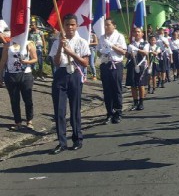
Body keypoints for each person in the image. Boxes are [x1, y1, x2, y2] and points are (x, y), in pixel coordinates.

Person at [48, 14, 90, 154]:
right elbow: (56, 62)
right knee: (59, 111)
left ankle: (77, 138)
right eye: (67, 24)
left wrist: (71, 53)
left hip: (75, 75)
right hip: (61, 74)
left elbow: (85, 63)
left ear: (76, 26)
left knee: (75, 109)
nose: (70, 27)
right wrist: (60, 47)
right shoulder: (57, 42)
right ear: (63, 26)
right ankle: (61, 142)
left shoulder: (82, 42)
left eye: (72, 24)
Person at [0, 38, 37, 130]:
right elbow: (3, 61)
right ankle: (18, 122)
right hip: (11, 76)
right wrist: (0, 75)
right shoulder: (8, 45)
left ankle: (29, 120)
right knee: (14, 100)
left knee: (27, 99)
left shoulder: (28, 44)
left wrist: (27, 62)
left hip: (26, 75)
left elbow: (35, 59)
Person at [98, 18, 127, 124]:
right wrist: (102, 51)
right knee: (107, 90)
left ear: (114, 26)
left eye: (108, 25)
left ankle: (118, 112)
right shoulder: (102, 37)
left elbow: (123, 52)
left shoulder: (119, 36)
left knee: (116, 88)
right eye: (105, 25)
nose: (106, 27)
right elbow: (98, 53)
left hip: (116, 65)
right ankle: (109, 112)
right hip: (105, 64)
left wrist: (112, 46)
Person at [126, 27, 149, 111]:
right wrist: (129, 53)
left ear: (142, 34)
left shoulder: (145, 43)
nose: (137, 33)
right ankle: (135, 102)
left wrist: (136, 49)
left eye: (138, 32)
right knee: (133, 85)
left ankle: (141, 102)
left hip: (141, 65)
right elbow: (127, 55)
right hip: (132, 65)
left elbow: (145, 53)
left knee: (140, 85)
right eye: (135, 32)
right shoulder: (130, 44)